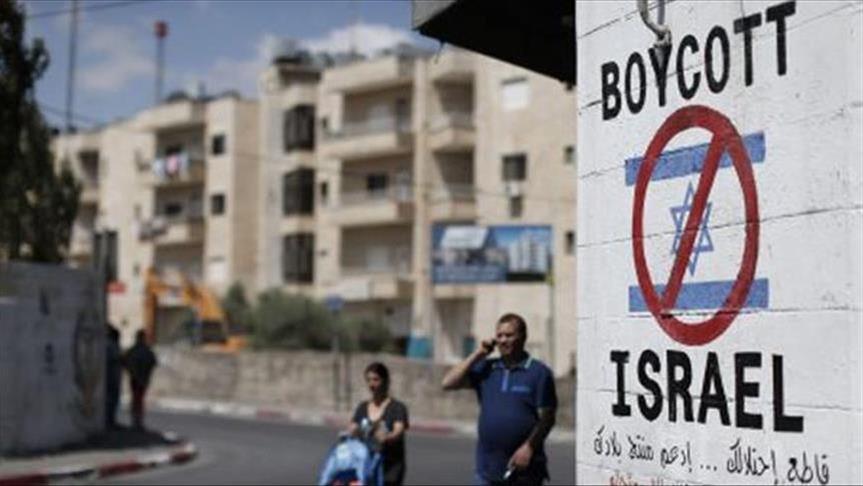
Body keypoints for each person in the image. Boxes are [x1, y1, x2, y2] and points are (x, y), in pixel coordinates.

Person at [442, 313, 557, 485]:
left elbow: (547, 418)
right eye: (499, 335)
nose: (503, 340)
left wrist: (529, 447)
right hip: (486, 472)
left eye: (509, 335)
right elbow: (448, 383)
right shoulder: (487, 368)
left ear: (523, 337)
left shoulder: (539, 372)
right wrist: (479, 353)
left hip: (524, 471)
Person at [347, 362, 410, 486]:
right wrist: (353, 432)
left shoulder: (397, 408)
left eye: (376, 379)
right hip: (365, 467)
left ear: (385, 381)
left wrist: (388, 437)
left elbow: (398, 430)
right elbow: (353, 428)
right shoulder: (362, 407)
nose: (372, 384)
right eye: (368, 380)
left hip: (389, 470)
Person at [123, 330, 158, 430]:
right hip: (139, 379)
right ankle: (137, 421)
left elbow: (125, 362)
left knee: (137, 400)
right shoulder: (143, 351)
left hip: (138, 379)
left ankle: (136, 420)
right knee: (138, 400)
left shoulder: (136, 350)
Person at [104, 324, 123, 428]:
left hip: (114, 376)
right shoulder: (110, 345)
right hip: (111, 377)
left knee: (113, 400)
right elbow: (115, 359)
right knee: (110, 400)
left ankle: (111, 420)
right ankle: (109, 421)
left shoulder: (113, 345)